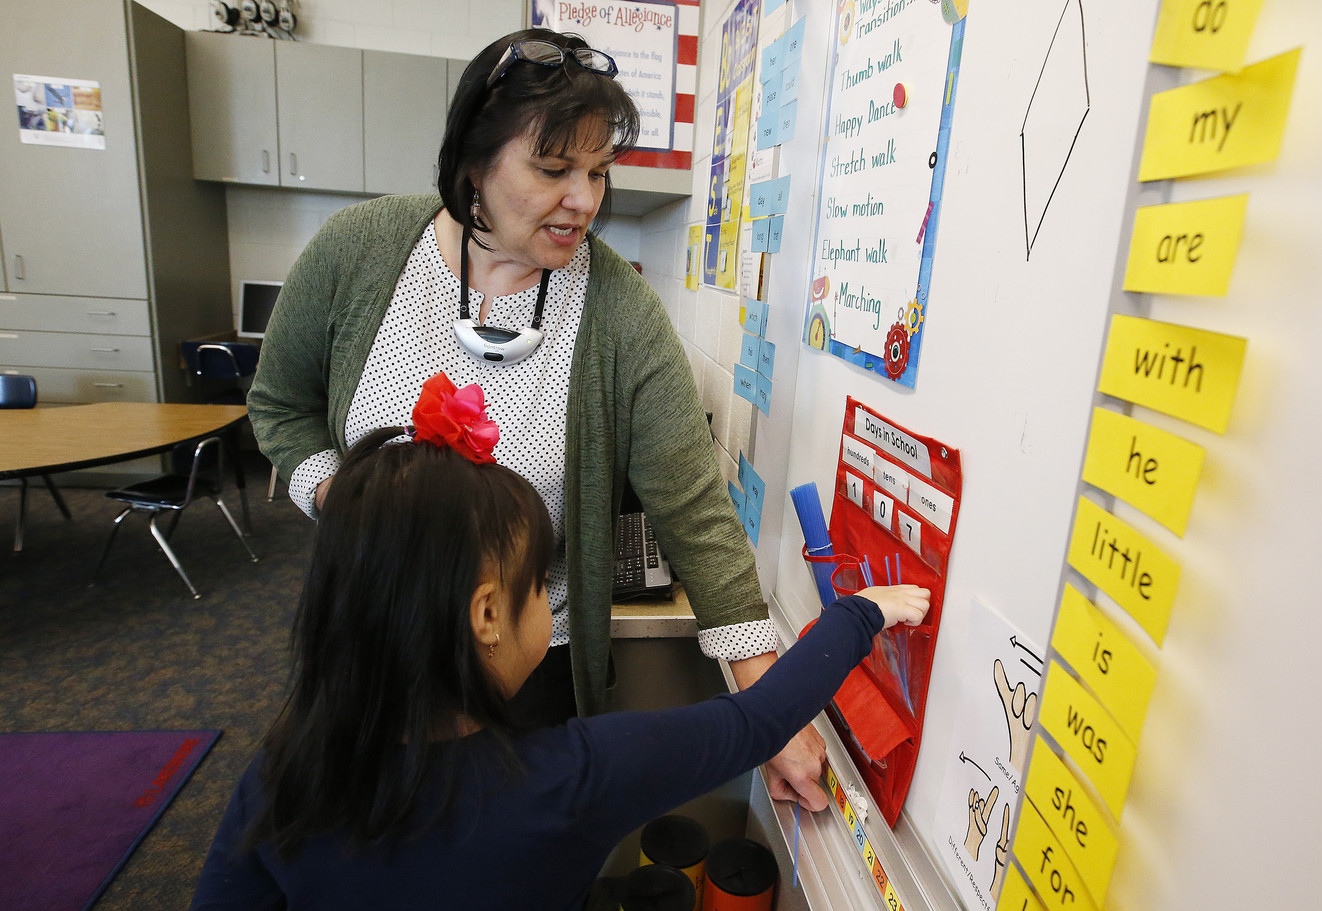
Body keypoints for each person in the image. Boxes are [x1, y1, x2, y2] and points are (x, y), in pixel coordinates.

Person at [247, 28, 829, 807]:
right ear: (473, 164)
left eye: (597, 171)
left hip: (530, 666)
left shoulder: (619, 310)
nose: (585, 200)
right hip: (369, 643)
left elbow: (694, 509)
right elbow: (278, 405)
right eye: (553, 169)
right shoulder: (360, 251)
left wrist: (773, 708)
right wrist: (336, 495)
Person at [191, 376, 931, 910]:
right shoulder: (572, 780)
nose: (549, 598)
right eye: (540, 584)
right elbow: (757, 718)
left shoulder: (282, 773)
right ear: (486, 615)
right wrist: (862, 610)